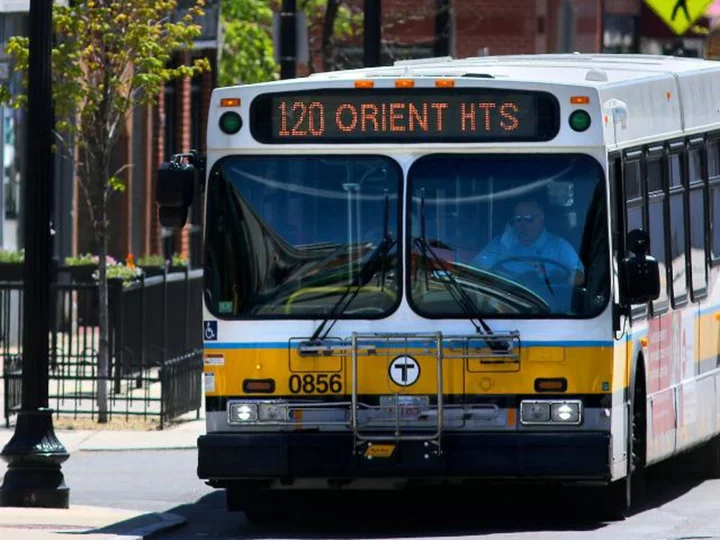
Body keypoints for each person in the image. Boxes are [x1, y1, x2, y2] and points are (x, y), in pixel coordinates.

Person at [471, 196, 584, 286]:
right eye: (518, 219)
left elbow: (579, 275)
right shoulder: (500, 245)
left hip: (549, 310)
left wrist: (558, 278)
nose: (522, 224)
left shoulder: (560, 246)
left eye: (528, 219)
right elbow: (474, 271)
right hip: (502, 308)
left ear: (541, 218)